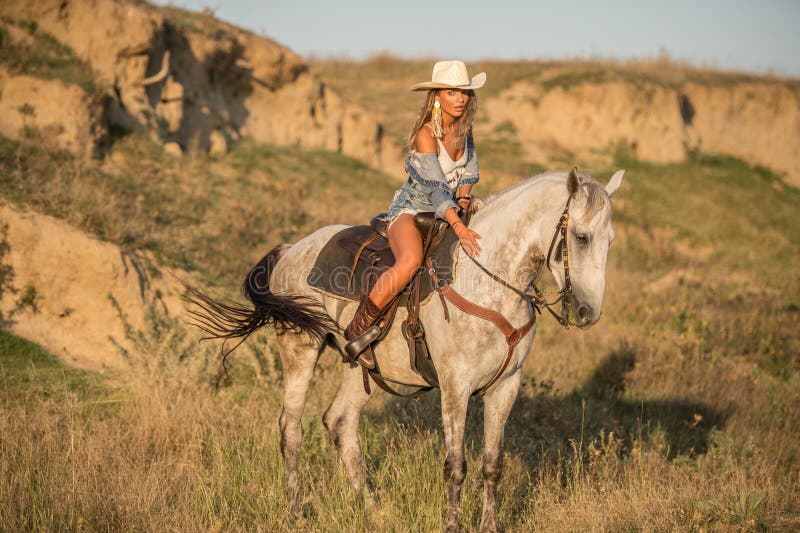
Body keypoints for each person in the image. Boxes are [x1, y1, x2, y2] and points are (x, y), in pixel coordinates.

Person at [344, 60, 484, 368]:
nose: (460, 98)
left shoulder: (465, 131)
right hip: (413, 208)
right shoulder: (426, 134)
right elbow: (435, 192)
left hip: (446, 212)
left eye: (464, 92)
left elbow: (469, 174)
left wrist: (464, 199)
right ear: (437, 97)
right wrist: (459, 226)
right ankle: (358, 326)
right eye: (452, 92)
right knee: (410, 262)